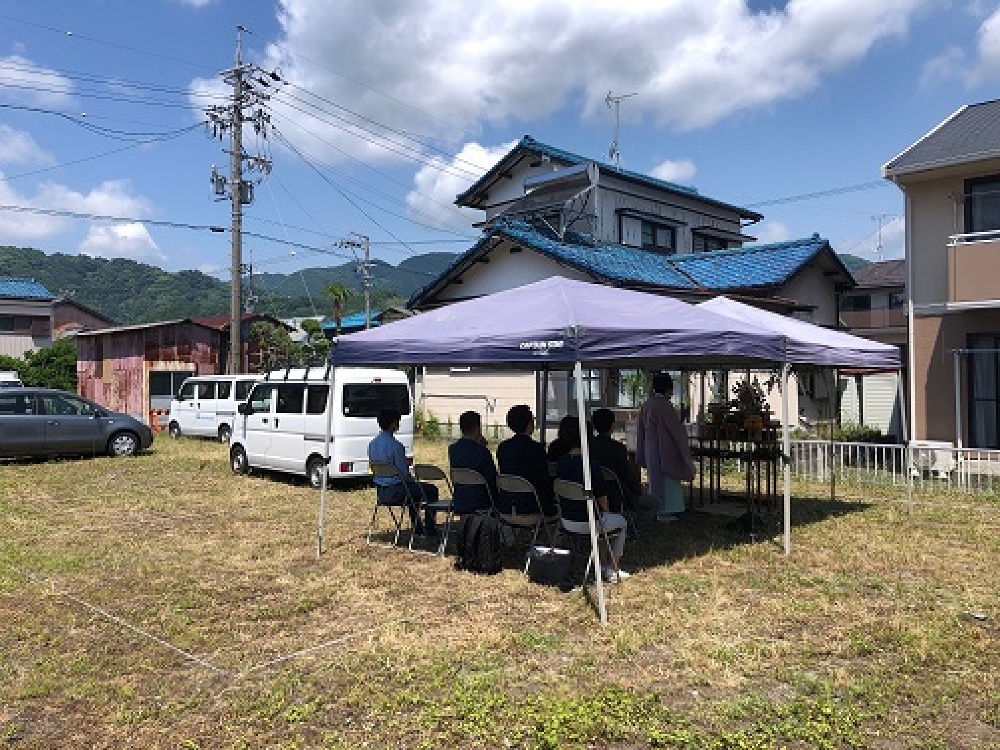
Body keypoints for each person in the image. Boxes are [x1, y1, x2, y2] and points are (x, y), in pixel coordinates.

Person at [554, 416, 630, 582]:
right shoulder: (590, 465)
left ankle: (602, 563)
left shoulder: (561, 462)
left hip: (566, 521)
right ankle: (612, 568)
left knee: (603, 521)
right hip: (589, 522)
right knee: (619, 522)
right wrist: (608, 510)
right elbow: (602, 499)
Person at [368, 406, 439, 536]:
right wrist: (413, 480)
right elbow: (404, 474)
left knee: (414, 492)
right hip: (396, 491)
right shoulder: (397, 446)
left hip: (381, 492)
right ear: (394, 423)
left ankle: (418, 527)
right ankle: (429, 528)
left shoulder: (372, 444)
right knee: (430, 490)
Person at [636, 372, 695, 522]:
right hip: (665, 449)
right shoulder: (665, 406)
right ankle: (666, 511)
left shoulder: (647, 404)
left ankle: (657, 509)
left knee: (655, 481)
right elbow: (676, 431)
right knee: (668, 482)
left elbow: (640, 430)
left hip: (650, 448)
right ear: (668, 389)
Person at [496, 404, 557, 517]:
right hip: (533, 506)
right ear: (529, 424)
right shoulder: (536, 449)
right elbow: (544, 479)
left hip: (507, 503)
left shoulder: (503, 447)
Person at [590, 408, 641, 514]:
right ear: (612, 425)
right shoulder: (617, 448)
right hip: (617, 494)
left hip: (593, 494)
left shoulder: (588, 447)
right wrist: (638, 489)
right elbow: (626, 474)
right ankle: (631, 526)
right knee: (653, 504)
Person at [448, 410, 498, 515]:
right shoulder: (482, 452)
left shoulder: (453, 449)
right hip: (481, 500)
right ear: (477, 428)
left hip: (461, 499)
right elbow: (492, 478)